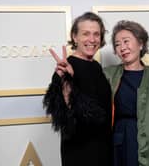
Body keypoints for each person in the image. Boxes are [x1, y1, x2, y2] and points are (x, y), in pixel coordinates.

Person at [43, 12, 112, 166]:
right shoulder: (65, 68)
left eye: (96, 34)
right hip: (79, 152)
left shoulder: (96, 66)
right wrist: (68, 82)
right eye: (85, 34)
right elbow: (64, 117)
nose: (92, 39)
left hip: (103, 149)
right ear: (75, 36)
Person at [103, 20, 149, 166]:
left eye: (126, 41)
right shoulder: (107, 74)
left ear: (141, 43)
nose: (122, 47)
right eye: (117, 44)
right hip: (120, 141)